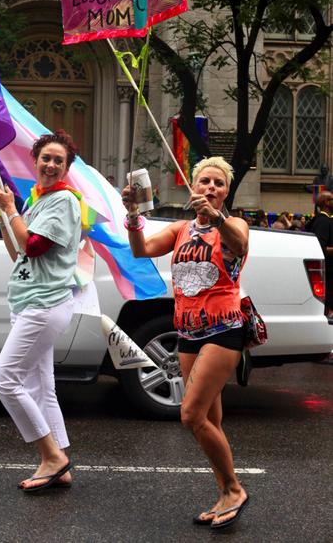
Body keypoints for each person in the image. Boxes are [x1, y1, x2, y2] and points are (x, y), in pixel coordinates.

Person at [121, 156, 250, 530]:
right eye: (204, 182)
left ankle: (234, 489)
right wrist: (132, 215)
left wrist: (217, 216)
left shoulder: (232, 224)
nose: (210, 187)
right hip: (188, 332)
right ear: (193, 187)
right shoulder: (180, 230)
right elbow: (141, 249)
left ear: (226, 191)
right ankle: (224, 492)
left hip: (223, 329)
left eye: (218, 183)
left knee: (190, 414)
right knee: (211, 419)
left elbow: (239, 244)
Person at [0, 130, 81, 493]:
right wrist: (2, 214)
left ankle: (52, 457)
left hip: (44, 305)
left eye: (59, 160)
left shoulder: (63, 201)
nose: (51, 164)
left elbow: (35, 246)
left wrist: (11, 208)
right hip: (29, 302)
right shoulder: (37, 201)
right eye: (46, 158)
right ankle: (61, 463)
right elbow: (17, 252)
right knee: (42, 388)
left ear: (67, 168)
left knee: (5, 380)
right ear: (36, 160)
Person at [306, 191, 333, 318]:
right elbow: (319, 248)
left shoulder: (326, 220)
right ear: (326, 202)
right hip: (327, 273)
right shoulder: (323, 221)